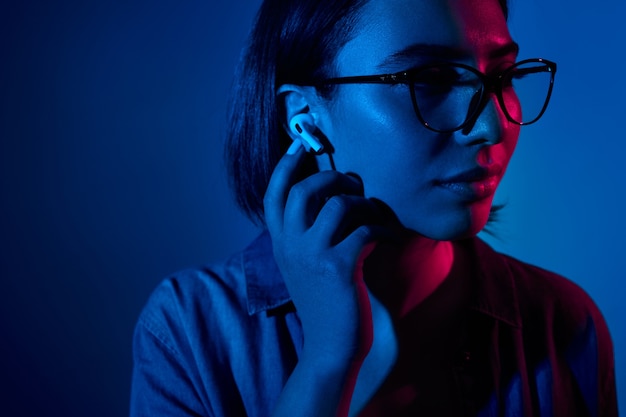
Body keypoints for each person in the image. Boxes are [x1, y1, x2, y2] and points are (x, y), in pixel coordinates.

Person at [129, 0, 618, 416]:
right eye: (431, 79)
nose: (491, 126)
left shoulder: (563, 325)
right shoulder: (188, 332)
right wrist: (326, 360)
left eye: (504, 75)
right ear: (306, 119)